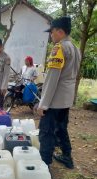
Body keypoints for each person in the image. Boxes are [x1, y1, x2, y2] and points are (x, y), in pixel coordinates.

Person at [36, 16, 81, 169]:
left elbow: (52, 77)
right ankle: (67, 156)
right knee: (61, 128)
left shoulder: (59, 48)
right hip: (66, 99)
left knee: (46, 132)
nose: (51, 35)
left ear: (60, 31)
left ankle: (44, 165)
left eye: (52, 32)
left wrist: (43, 104)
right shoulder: (75, 48)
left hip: (54, 100)